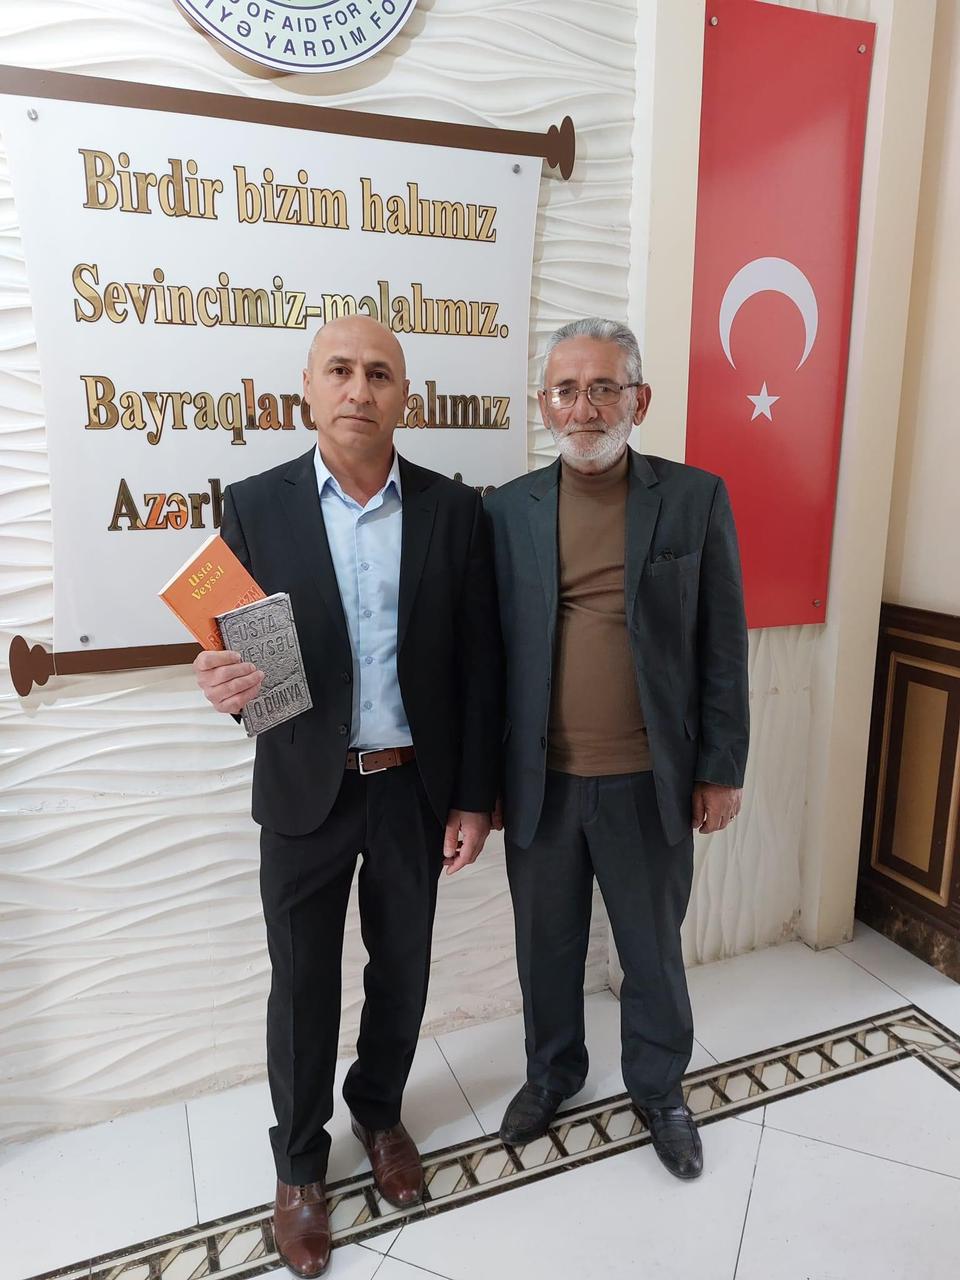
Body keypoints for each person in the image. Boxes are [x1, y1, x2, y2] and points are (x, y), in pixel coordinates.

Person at [193, 316, 501, 1276]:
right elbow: (238, 658)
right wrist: (220, 682)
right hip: (302, 789)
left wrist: (475, 797)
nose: (358, 388)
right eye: (340, 370)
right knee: (302, 986)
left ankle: (379, 1114)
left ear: (404, 395)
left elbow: (480, 664)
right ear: (309, 387)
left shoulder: (454, 509)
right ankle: (298, 1167)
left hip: (414, 788)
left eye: (379, 373)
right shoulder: (255, 506)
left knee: (402, 971)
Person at [485, 317, 749, 1180]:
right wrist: (483, 783)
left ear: (640, 399)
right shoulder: (506, 511)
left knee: (652, 952)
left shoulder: (695, 498)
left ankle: (661, 1090)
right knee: (545, 950)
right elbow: (488, 657)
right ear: (544, 405)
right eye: (567, 390)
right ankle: (552, 1074)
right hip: (541, 783)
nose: (585, 407)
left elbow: (722, 644)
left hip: (650, 781)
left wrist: (721, 769)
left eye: (604, 387)